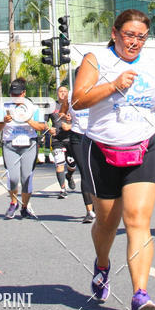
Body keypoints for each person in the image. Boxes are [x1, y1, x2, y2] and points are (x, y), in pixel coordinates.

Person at [73, 9, 155, 310]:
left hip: (143, 146)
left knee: (138, 219)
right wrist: (113, 85)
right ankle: (102, 263)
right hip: (101, 150)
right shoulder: (95, 59)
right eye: (129, 35)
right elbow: (77, 100)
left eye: (141, 37)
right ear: (115, 33)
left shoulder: (154, 63)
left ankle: (141, 294)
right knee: (107, 222)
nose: (135, 42)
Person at [0, 78, 47, 219]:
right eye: (13, 94)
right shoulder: (4, 107)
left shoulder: (33, 107)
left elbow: (42, 127)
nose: (15, 97)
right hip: (10, 145)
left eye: (18, 94)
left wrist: (28, 120)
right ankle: (13, 203)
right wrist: (3, 121)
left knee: (26, 178)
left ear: (24, 93)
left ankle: (24, 206)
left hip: (29, 145)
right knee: (13, 178)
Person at [58, 88, 96, 223]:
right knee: (85, 172)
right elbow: (62, 112)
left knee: (96, 173)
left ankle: (97, 205)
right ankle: (89, 211)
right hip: (77, 137)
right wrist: (66, 116)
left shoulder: (98, 91)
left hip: (96, 137)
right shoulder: (70, 96)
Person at [49, 85, 76, 199]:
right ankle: (63, 189)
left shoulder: (73, 105)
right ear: (57, 93)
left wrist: (71, 122)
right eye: (61, 91)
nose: (63, 93)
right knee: (59, 163)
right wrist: (49, 129)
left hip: (71, 138)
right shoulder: (51, 106)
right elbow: (44, 121)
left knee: (72, 164)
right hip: (57, 139)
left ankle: (69, 176)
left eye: (65, 91)